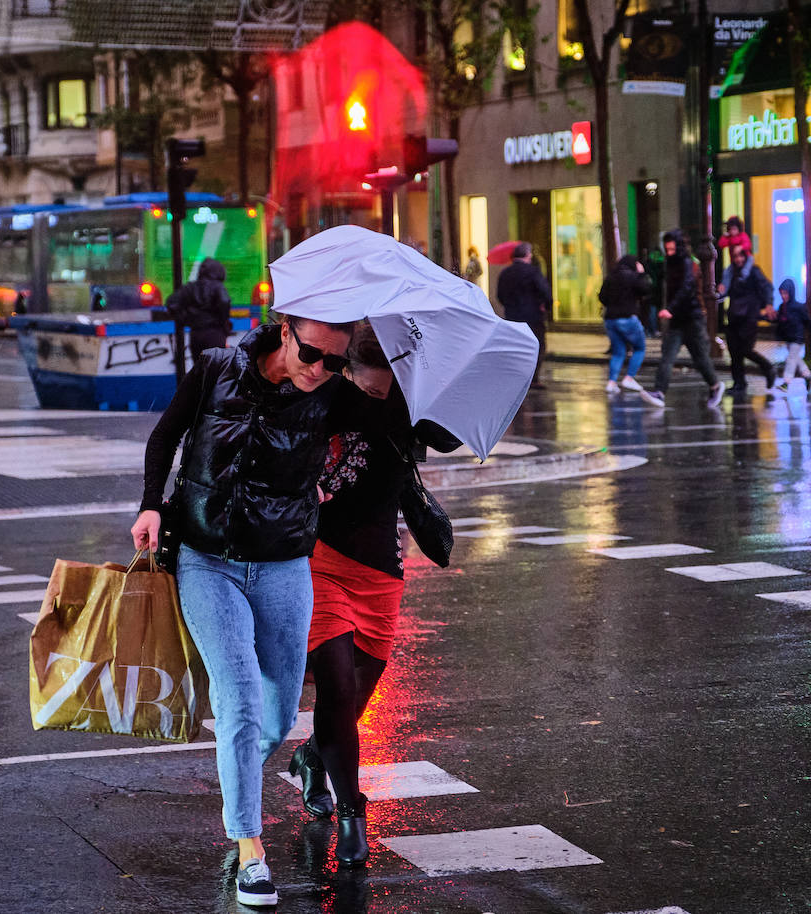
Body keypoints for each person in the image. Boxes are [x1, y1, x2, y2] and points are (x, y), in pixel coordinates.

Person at [131, 315, 381, 909]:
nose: (322, 370)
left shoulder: (333, 394)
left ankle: (246, 768)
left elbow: (395, 435)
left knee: (277, 711)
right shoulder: (219, 368)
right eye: (314, 353)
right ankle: (249, 846)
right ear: (286, 332)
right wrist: (150, 506)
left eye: (336, 363)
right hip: (207, 559)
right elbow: (165, 436)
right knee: (239, 697)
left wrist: (336, 473)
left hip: (284, 564)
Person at [286, 324, 459, 869]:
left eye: (386, 388)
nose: (377, 396)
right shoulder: (325, 394)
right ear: (351, 373)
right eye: (369, 387)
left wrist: (444, 384)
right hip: (320, 559)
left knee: (356, 700)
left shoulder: (410, 403)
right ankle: (351, 813)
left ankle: (313, 757)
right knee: (336, 688)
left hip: (381, 567)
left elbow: (452, 438)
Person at [648, 230, 725, 409]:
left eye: (671, 248)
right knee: (667, 356)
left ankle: (715, 385)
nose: (668, 252)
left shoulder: (688, 264)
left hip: (692, 318)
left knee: (699, 358)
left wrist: (670, 309)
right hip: (677, 320)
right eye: (666, 249)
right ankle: (659, 392)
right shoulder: (671, 263)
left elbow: (686, 288)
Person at [598, 255, 663, 406]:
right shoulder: (633, 277)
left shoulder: (611, 277)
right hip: (628, 318)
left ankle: (612, 383)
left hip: (610, 319)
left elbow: (602, 297)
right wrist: (641, 274)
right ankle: (629, 378)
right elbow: (646, 289)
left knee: (618, 351)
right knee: (640, 348)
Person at [717, 245, 777, 394]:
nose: (738, 259)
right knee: (734, 352)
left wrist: (769, 304)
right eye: (735, 256)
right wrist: (721, 291)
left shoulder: (753, 271)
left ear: (746, 256)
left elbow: (766, 286)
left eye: (740, 256)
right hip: (734, 316)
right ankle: (739, 383)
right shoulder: (730, 273)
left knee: (745, 349)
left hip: (749, 317)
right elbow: (724, 292)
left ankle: (768, 367)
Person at [496, 242, 551, 389]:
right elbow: (545, 292)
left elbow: (500, 296)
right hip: (533, 317)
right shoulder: (533, 272)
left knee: (516, 347)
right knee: (537, 346)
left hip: (513, 317)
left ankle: (518, 377)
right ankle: (533, 378)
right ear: (528, 255)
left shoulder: (505, 273)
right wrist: (546, 306)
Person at [165, 257, 233, 363]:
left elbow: (171, 303)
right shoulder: (218, 286)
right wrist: (222, 320)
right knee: (216, 368)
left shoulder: (191, 287)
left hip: (196, 333)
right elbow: (224, 301)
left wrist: (186, 319)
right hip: (215, 333)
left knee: (199, 369)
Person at [768, 278, 811, 390]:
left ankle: (786, 382)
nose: (783, 296)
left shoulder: (798, 307)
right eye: (781, 293)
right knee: (796, 359)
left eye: (785, 293)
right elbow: (779, 322)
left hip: (797, 338)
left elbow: (808, 321)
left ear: (791, 292)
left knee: (791, 359)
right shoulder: (782, 307)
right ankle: (808, 376)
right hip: (789, 338)